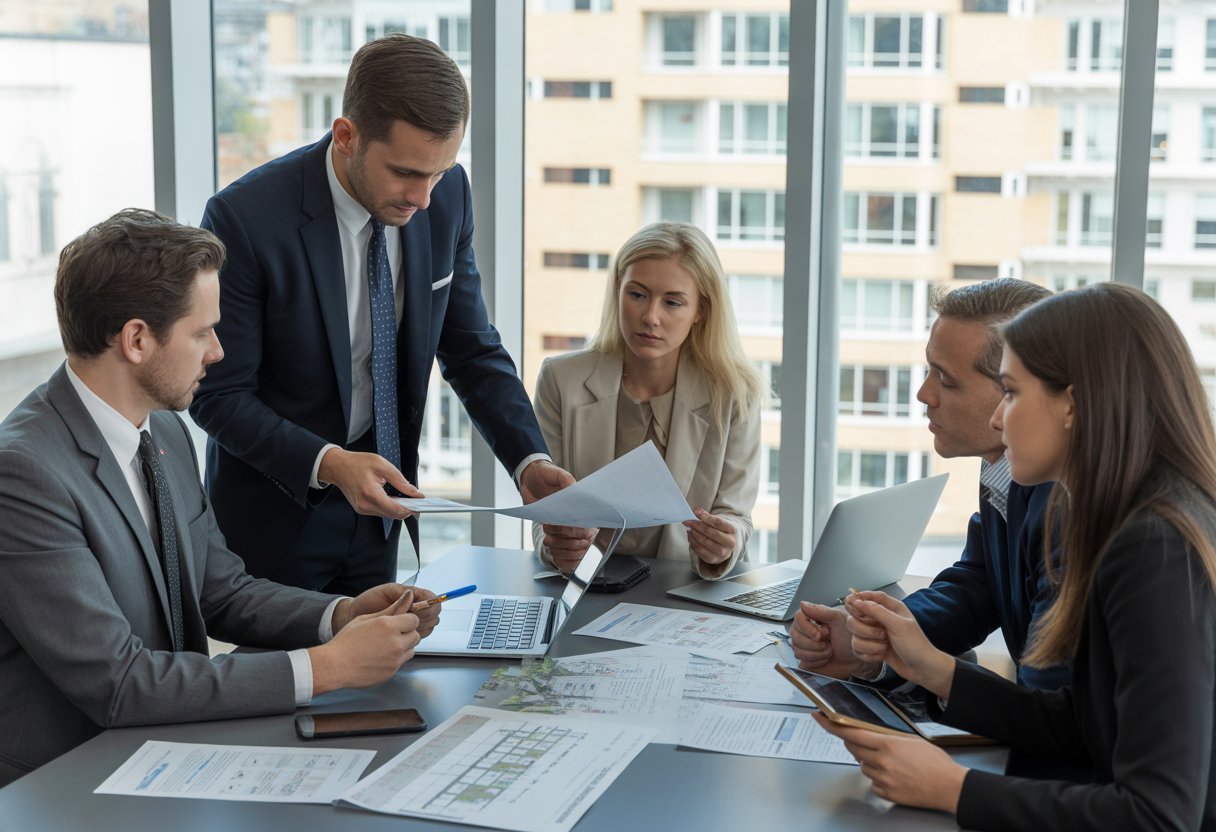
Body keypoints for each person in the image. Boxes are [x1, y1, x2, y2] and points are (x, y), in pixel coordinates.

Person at [0, 209, 441, 787]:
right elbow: (121, 684)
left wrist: (340, 616)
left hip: (166, 756)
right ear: (136, 339)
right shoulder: (24, 475)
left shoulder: (162, 431)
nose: (218, 352)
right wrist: (326, 668)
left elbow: (220, 589)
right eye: (202, 331)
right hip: (64, 786)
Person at [816, 283, 1216, 829]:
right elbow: (1081, 724)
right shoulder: (1125, 514)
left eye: (1011, 393)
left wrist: (954, 789)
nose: (1000, 423)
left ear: (1072, 405)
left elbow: (1158, 816)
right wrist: (929, 667)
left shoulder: (1153, 546)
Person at [190, 35, 571, 595]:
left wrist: (529, 462)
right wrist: (332, 463)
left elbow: (471, 348)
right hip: (277, 520)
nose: (422, 198)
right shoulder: (243, 218)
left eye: (438, 173)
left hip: (381, 515)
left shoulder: (449, 196)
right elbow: (218, 395)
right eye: (406, 173)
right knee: (294, 681)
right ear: (346, 136)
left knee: (376, 680)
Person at [791, 278, 1070, 691]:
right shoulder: (1002, 468)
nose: (924, 394)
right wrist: (874, 637)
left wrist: (918, 663)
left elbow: (1049, 703)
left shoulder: (1064, 505)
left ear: (1012, 388)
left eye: (947, 380)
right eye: (929, 371)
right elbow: (978, 585)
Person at [532, 222, 763, 579]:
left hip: (680, 594)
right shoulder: (561, 380)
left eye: (672, 302)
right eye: (637, 295)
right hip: (586, 587)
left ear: (700, 310)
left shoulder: (734, 394)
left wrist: (724, 544)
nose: (650, 317)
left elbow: (737, 518)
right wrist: (555, 547)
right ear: (617, 291)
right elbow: (545, 512)